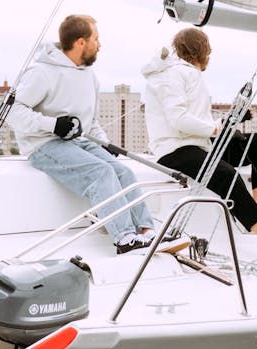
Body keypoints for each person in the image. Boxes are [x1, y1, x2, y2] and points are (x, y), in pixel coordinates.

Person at [141, 27, 257, 270]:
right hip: (174, 150)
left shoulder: (187, 74)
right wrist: (216, 128)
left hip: (201, 143)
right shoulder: (172, 75)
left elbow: (196, 121)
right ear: (201, 50)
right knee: (227, 175)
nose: (209, 57)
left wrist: (228, 121)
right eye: (208, 52)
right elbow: (178, 120)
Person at [9, 14, 157, 254]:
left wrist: (105, 144)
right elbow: (12, 111)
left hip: (79, 142)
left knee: (124, 171)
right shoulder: (42, 71)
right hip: (44, 145)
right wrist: (53, 125)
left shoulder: (89, 75)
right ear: (80, 42)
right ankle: (124, 239)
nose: (100, 44)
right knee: (101, 172)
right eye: (96, 39)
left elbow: (92, 121)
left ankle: (147, 231)